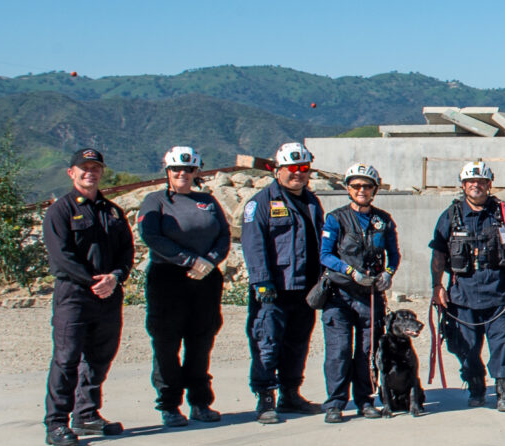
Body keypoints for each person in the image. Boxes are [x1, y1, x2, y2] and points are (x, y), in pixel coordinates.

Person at [41, 147, 134, 446]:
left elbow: (126, 253)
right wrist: (95, 282)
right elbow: (62, 256)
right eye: (83, 167)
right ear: (71, 172)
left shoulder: (113, 211)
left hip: (108, 296)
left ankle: (86, 414)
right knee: (67, 360)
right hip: (75, 296)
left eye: (95, 168)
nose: (89, 172)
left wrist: (115, 278)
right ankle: (56, 423)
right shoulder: (60, 211)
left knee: (99, 357)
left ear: (102, 173)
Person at [138, 146, 229, 428]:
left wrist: (209, 262)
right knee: (166, 343)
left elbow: (224, 236)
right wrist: (189, 260)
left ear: (195, 172)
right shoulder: (155, 201)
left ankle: (200, 402)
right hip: (168, 279)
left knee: (201, 341)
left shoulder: (208, 201)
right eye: (176, 169)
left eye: (188, 169)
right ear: (167, 171)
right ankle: (169, 405)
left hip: (205, 279)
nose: (182, 174)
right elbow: (151, 235)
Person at [430, 160, 505, 411]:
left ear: (489, 184)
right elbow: (439, 253)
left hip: (499, 292)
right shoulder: (450, 216)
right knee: (467, 347)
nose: (477, 186)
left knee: (504, 344)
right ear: (463, 185)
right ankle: (475, 386)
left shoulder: (504, 213)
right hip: (463, 294)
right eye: (471, 182)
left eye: (482, 182)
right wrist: (436, 286)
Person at [241, 142, 327, 425]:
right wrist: (261, 281)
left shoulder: (312, 202)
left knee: (298, 343)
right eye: (292, 169)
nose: (298, 174)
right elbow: (254, 245)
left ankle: (291, 394)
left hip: (304, 289)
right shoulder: (260, 203)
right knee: (267, 343)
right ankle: (266, 398)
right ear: (278, 170)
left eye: (303, 169)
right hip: (273, 290)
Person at [317, 162, 401, 423]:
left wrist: (388, 272)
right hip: (339, 295)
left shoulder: (383, 220)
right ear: (347, 188)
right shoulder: (335, 218)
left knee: (367, 351)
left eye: (367, 186)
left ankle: (365, 400)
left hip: (370, 297)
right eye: (356, 186)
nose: (361, 190)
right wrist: (350, 271)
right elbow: (325, 255)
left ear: (375, 189)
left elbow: (394, 255)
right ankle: (335, 403)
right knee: (339, 350)